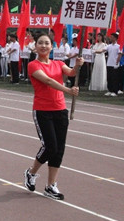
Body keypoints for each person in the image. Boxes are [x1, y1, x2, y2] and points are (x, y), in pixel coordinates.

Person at [23, 33, 83, 201]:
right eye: (40, 43)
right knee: (50, 147)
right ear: (35, 47)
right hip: (43, 110)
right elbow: (48, 81)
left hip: (60, 110)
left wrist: (78, 66)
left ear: (52, 46)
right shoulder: (33, 65)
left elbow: (71, 73)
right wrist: (68, 91)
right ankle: (31, 172)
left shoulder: (59, 63)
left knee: (59, 150)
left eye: (47, 43)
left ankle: (51, 186)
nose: (43, 46)